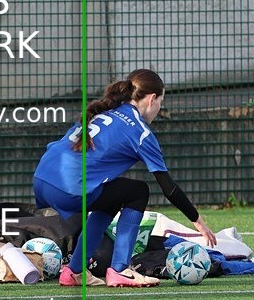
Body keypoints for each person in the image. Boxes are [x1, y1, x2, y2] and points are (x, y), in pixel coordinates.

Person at [33, 69, 217, 287]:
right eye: (161, 101)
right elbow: (169, 188)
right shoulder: (140, 132)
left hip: (41, 180)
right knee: (138, 191)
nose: (159, 108)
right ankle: (120, 269)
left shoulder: (103, 112)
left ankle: (74, 270)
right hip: (68, 190)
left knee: (113, 197)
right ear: (152, 99)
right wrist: (198, 221)